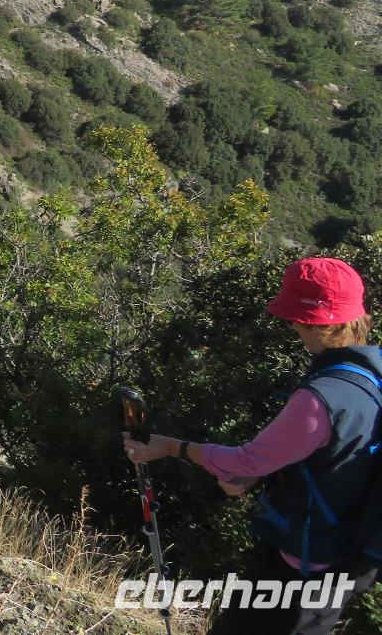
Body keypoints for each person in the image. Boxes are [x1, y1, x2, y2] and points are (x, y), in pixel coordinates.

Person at [125, 257, 378, 635]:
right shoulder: (372, 373)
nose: (292, 326)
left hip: (301, 567)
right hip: (348, 555)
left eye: (295, 317)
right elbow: (337, 460)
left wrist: (170, 447)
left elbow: (244, 460)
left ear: (314, 320)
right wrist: (258, 476)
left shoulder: (321, 399)